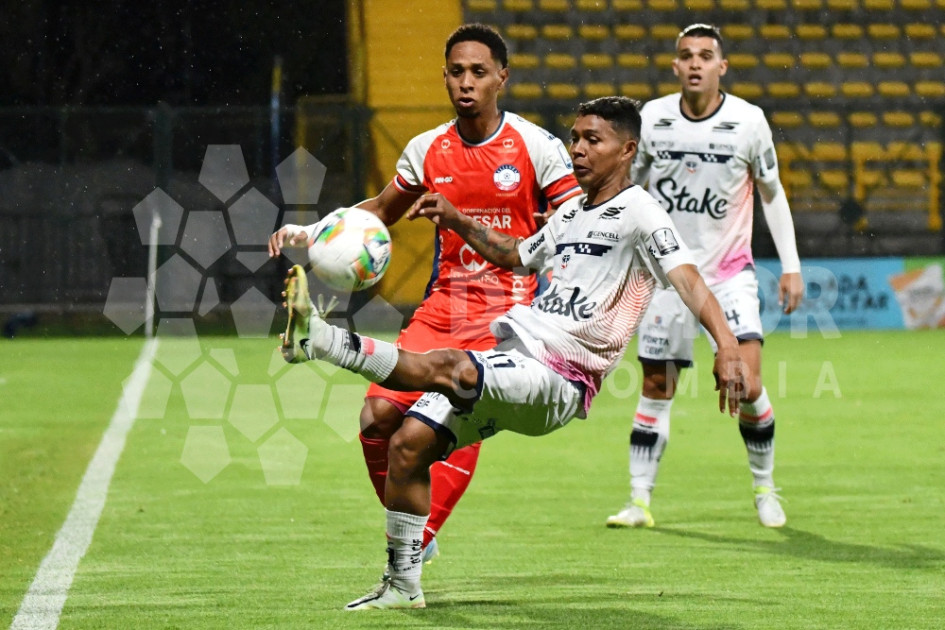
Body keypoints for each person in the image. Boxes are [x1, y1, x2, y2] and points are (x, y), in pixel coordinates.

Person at [279, 96, 746, 609]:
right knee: (407, 447)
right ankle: (403, 586)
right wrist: (455, 218)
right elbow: (512, 255)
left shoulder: (641, 211)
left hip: (561, 375)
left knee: (450, 368)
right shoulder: (569, 213)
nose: (579, 149)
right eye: (575, 138)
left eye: (594, 140)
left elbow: (687, 279)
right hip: (519, 348)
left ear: (627, 149)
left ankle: (318, 339)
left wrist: (727, 345)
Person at [268, 24, 581, 560]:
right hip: (440, 305)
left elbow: (574, 225)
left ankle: (417, 541)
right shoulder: (427, 148)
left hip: (507, 311)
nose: (466, 83)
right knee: (376, 418)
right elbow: (381, 212)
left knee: (448, 412)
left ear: (501, 78)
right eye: (456, 72)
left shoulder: (537, 147)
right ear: (444, 77)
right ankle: (419, 536)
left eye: (478, 72)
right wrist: (313, 233)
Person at [605, 23, 804, 531]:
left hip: (729, 274)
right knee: (656, 385)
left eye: (706, 55)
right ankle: (639, 500)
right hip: (669, 273)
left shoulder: (748, 122)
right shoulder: (653, 119)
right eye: (687, 56)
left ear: (722, 66)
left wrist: (792, 265)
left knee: (748, 381)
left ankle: (764, 488)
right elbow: (629, 188)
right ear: (675, 67)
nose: (695, 63)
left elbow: (772, 193)